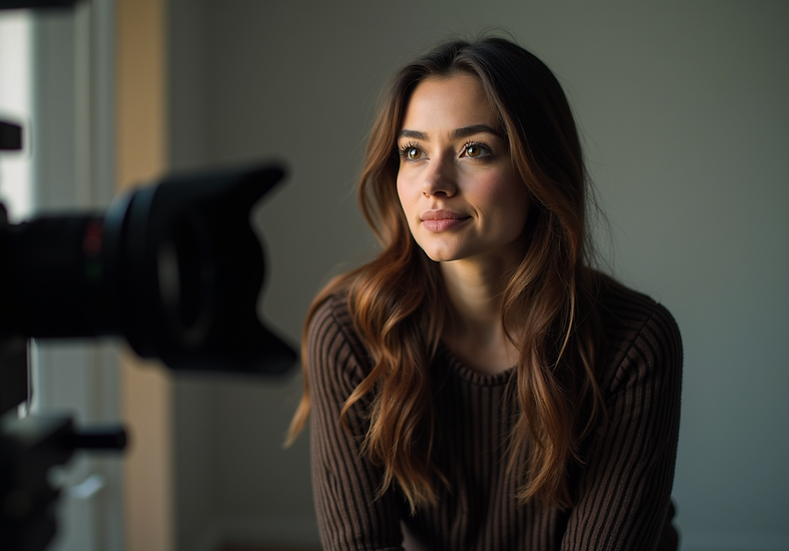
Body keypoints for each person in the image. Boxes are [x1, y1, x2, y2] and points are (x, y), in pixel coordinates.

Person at [286, 37, 682, 551]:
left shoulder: (635, 343)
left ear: (539, 171)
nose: (434, 182)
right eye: (413, 151)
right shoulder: (352, 331)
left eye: (474, 149)